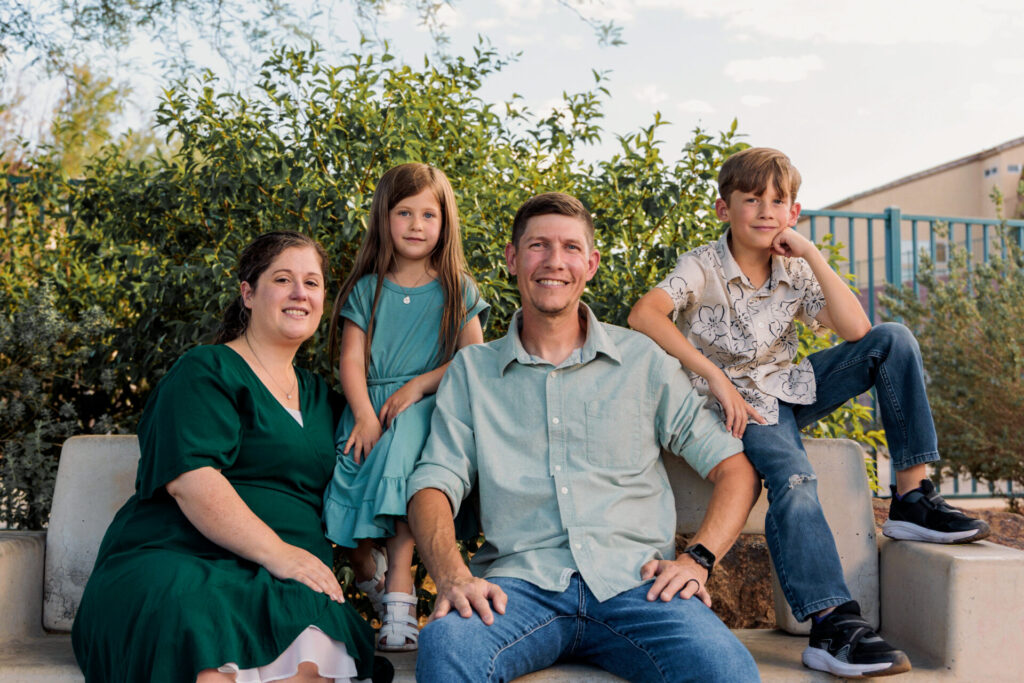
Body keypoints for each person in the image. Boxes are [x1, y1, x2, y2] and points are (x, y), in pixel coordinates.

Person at [628, 147, 991, 678]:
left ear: (793, 213)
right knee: (794, 478)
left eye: (778, 201)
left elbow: (856, 333)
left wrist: (812, 256)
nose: (765, 211)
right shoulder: (702, 264)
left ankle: (912, 497)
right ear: (723, 208)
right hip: (737, 406)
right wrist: (713, 375)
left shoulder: (794, 270)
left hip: (789, 389)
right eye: (751, 199)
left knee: (892, 340)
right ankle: (833, 624)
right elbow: (645, 314)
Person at [405, 192, 762, 682]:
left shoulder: (643, 360)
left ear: (591, 263)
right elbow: (433, 484)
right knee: (447, 647)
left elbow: (734, 469)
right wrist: (451, 575)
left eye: (571, 248)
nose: (555, 262)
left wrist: (697, 559)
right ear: (513, 258)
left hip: (638, 587)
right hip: (518, 588)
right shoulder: (473, 371)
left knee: (726, 671)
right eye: (538, 246)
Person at [72, 232, 391, 683]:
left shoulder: (326, 400)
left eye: (313, 283)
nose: (300, 293)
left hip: (288, 580)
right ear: (248, 292)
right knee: (205, 658)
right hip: (178, 559)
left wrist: (371, 570)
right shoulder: (205, 370)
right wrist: (278, 553)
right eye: (283, 279)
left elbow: (358, 487)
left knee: (309, 667)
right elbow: (191, 479)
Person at [322, 163, 488, 652]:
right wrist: (365, 415)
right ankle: (371, 576)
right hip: (369, 408)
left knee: (405, 461)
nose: (417, 225)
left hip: (429, 409)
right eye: (404, 212)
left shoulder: (458, 287)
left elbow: (472, 360)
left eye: (428, 215)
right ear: (384, 218)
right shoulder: (367, 289)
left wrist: (418, 386)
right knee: (350, 526)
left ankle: (400, 593)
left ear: (445, 222)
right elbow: (350, 360)